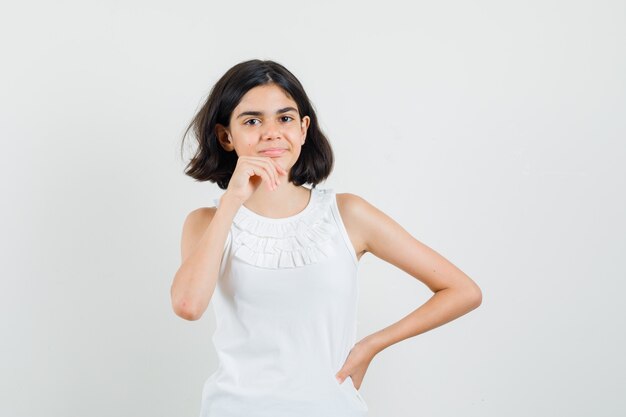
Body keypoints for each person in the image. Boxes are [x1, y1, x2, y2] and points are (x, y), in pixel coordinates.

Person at [170, 59, 482, 417]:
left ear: (303, 129)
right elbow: (188, 306)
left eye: (284, 118)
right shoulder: (205, 222)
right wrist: (232, 202)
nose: (271, 132)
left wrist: (371, 346)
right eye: (252, 121)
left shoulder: (347, 214)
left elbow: (463, 291)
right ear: (226, 136)